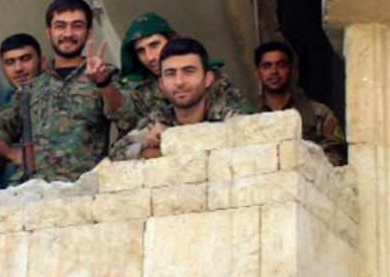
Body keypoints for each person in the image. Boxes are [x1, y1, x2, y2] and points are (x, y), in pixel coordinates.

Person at [0, 0, 121, 182]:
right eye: (60, 26)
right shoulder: (33, 85)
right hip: (33, 191)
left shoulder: (106, 75)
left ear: (89, 33)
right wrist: (13, 154)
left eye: (77, 26)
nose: (68, 33)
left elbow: (127, 119)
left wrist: (102, 83)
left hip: (83, 190)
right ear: (48, 32)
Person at [110, 11, 255, 135]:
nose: (150, 57)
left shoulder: (212, 77)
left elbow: (247, 121)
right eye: (141, 51)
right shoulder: (139, 89)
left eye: (154, 45)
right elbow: (127, 131)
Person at [111, 37, 254, 160]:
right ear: (161, 84)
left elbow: (254, 134)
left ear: (208, 79)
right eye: (171, 74)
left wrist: (174, 139)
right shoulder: (159, 119)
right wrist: (150, 148)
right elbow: (117, 151)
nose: (179, 82)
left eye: (189, 71)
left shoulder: (226, 113)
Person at [254, 40, 346, 165]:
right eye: (267, 66)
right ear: (257, 73)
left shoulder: (319, 114)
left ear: (292, 70)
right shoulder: (251, 117)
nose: (274, 71)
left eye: (281, 65)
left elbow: (336, 157)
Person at [0, 33, 44, 188]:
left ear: (42, 62)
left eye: (25, 59)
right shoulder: (15, 104)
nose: (18, 68)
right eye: (10, 62)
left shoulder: (54, 91)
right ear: (3, 69)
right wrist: (14, 154)